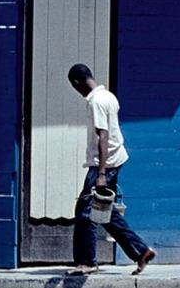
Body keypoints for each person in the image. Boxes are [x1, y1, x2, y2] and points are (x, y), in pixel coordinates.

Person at [66, 64, 156, 276]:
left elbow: (103, 136)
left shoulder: (96, 101)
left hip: (103, 164)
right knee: (104, 211)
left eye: (75, 87)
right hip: (116, 159)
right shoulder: (108, 96)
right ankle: (141, 251)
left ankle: (87, 262)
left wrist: (101, 174)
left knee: (85, 213)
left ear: (77, 83)